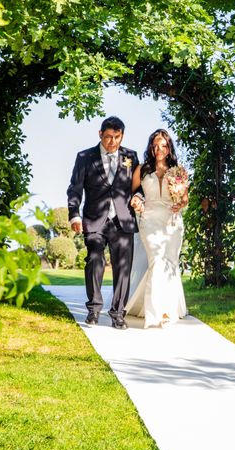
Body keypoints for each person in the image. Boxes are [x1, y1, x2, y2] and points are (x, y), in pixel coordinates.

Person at [67, 116, 140, 329]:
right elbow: (75, 188)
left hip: (122, 219)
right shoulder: (85, 157)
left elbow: (138, 186)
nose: (112, 142)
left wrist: (139, 197)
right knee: (94, 260)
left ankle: (118, 313)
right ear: (100, 134)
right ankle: (94, 309)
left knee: (123, 268)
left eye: (117, 137)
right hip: (94, 219)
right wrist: (74, 214)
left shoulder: (131, 156)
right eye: (108, 137)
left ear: (122, 136)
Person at [125, 129, 188, 328]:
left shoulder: (178, 170)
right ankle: (156, 313)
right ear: (151, 147)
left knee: (169, 263)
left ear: (169, 148)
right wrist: (136, 199)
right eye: (155, 145)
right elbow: (133, 192)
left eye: (163, 145)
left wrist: (181, 204)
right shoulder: (141, 169)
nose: (159, 149)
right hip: (150, 219)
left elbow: (185, 198)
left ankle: (167, 310)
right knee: (157, 261)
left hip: (172, 222)